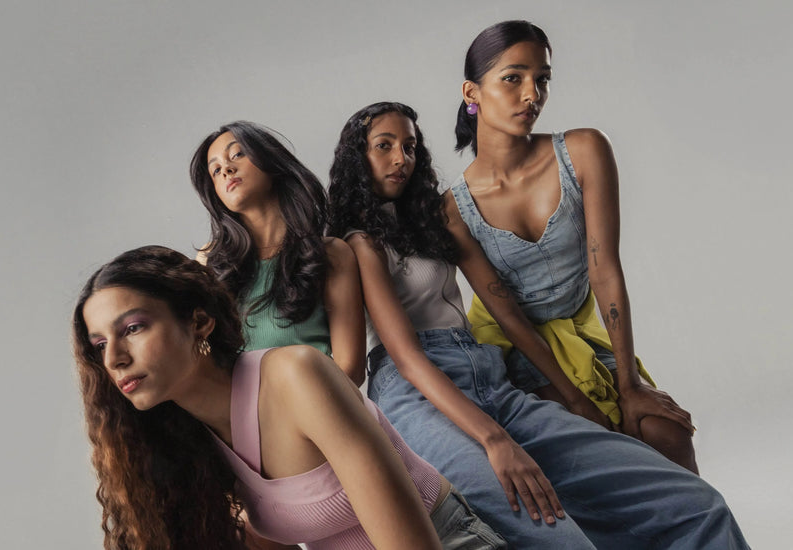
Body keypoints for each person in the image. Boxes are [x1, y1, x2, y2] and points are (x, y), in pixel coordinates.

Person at [326, 101, 747, 549]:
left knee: (697, 505)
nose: (400, 159)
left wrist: (574, 398)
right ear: (358, 157)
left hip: (487, 377)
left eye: (409, 147)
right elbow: (409, 360)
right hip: (418, 396)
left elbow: (504, 307)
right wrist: (496, 441)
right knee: (562, 541)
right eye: (384, 146)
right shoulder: (359, 244)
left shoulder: (437, 219)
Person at [72, 245, 507, 549]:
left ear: (199, 323)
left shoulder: (296, 376)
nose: (115, 358)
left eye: (133, 328)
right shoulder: (186, 447)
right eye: (100, 344)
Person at [449, 20, 698, 472]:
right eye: (513, 78)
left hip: (583, 332)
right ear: (472, 93)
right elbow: (507, 315)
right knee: (594, 445)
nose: (532, 94)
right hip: (515, 349)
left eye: (542, 79)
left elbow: (605, 271)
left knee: (667, 432)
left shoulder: (583, 151)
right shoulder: (452, 208)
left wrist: (630, 385)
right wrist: (575, 399)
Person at [189, 121, 365, 385]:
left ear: (270, 160)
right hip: (239, 407)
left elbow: (350, 369)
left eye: (237, 154)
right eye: (215, 170)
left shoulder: (331, 253)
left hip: (319, 402)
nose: (226, 169)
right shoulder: (209, 261)